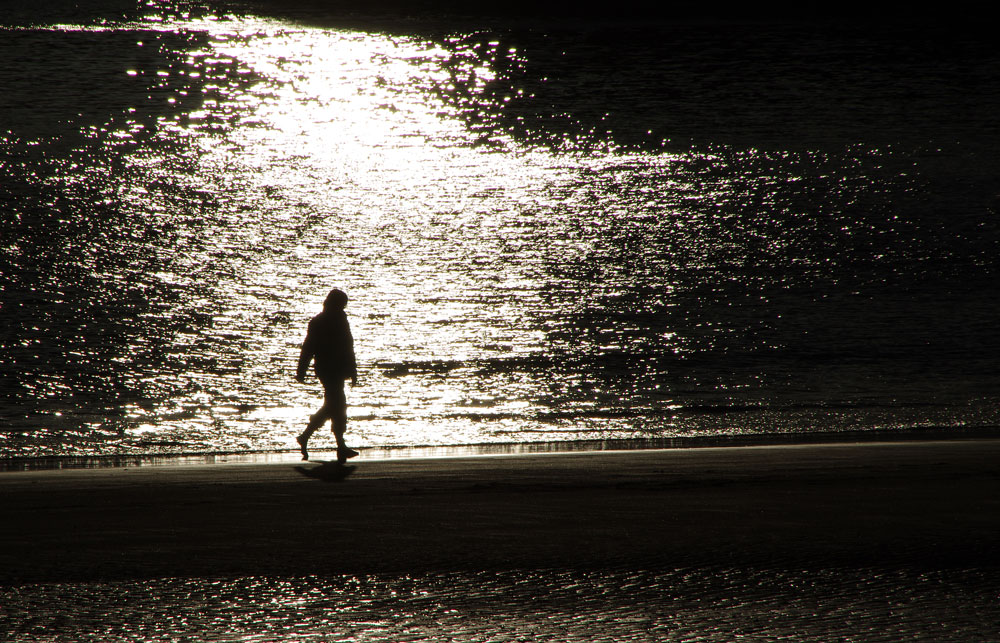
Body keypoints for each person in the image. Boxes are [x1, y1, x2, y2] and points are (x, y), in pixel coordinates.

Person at [295, 288, 359, 463]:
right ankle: (337, 445)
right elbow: (309, 347)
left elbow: (348, 345)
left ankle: (311, 437)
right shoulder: (321, 321)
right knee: (337, 405)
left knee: (334, 405)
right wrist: (301, 370)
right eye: (342, 304)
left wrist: (352, 370)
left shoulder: (335, 320)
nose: (343, 307)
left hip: (333, 369)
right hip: (328, 369)